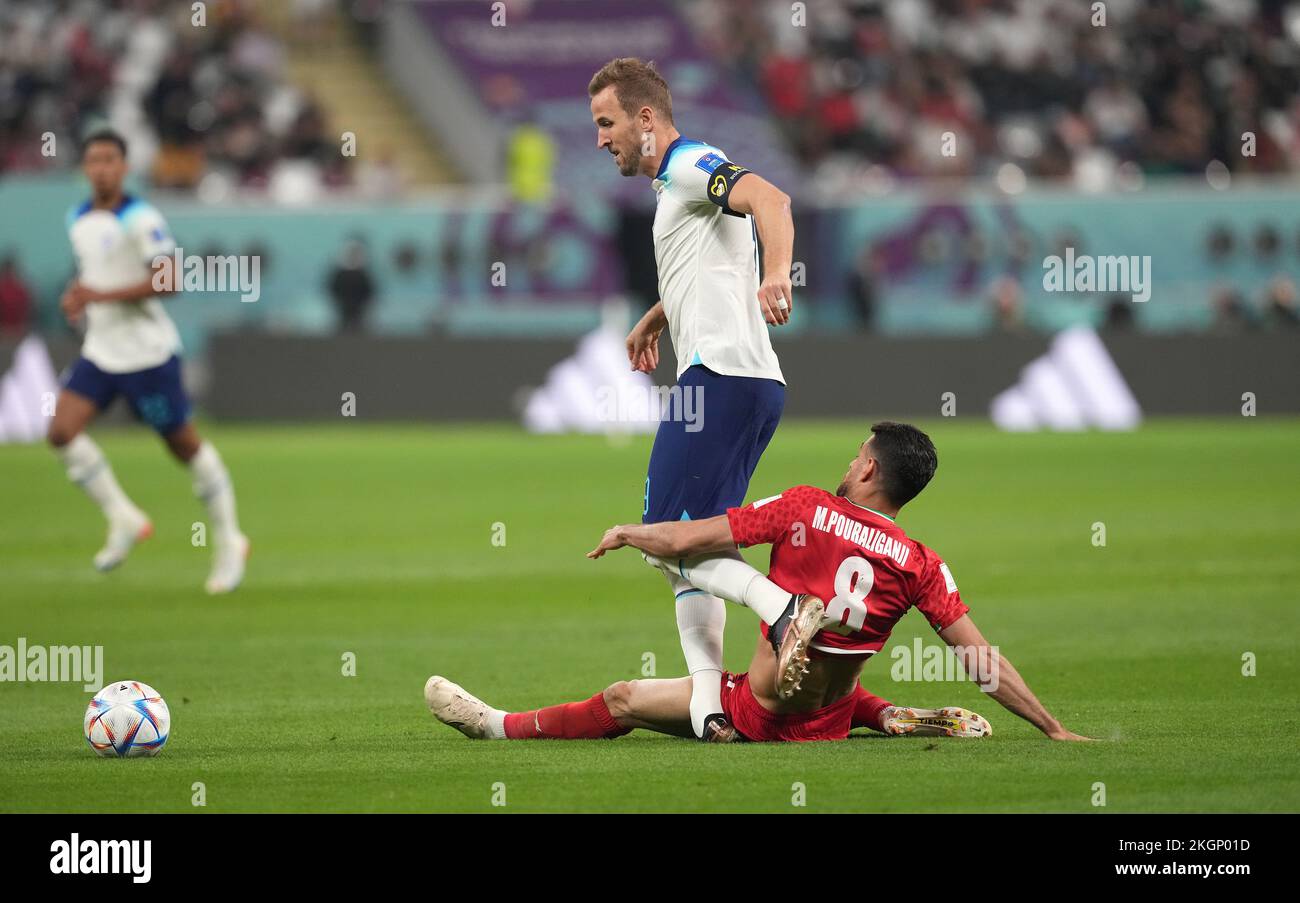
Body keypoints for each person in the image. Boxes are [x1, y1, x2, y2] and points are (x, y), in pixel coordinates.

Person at [425, 423, 1090, 743]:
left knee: (625, 697)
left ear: (866, 472)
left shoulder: (804, 506)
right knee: (837, 671)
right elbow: (980, 658)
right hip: (826, 717)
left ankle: (498, 726)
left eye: (856, 454)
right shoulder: (920, 561)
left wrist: (635, 532)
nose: (847, 460)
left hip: (761, 714)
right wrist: (1052, 727)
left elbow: (694, 537)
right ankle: (883, 713)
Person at [588, 57, 796, 741]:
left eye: (607, 122)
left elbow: (772, 199)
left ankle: (785, 608)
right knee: (694, 545)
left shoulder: (687, 162)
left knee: (661, 534)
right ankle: (709, 711)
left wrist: (775, 277)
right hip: (750, 383)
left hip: (720, 381)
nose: (600, 139)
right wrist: (657, 315)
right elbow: (705, 267)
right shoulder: (677, 185)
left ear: (646, 119)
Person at [49, 129, 248, 594]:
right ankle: (122, 516)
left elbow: (169, 281)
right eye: (93, 159)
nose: (101, 167)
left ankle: (229, 538)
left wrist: (101, 295)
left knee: (183, 446)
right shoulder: (77, 218)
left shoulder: (142, 219)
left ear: (125, 167)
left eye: (110, 160)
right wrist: (79, 296)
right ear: (85, 169)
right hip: (101, 352)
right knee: (61, 431)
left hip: (147, 357)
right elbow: (96, 273)